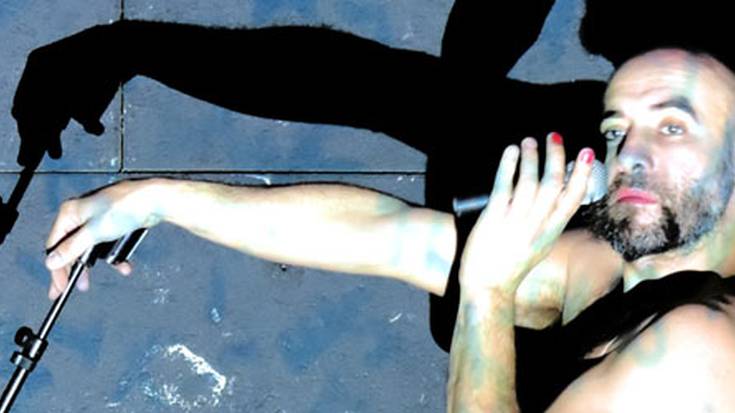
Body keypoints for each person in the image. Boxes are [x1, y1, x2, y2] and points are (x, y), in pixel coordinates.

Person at [42, 47, 735, 412]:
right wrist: (156, 199)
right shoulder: (617, 266)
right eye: (616, 129)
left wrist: (488, 295)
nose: (629, 153)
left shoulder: (700, 346)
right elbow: (391, 235)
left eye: (673, 126)